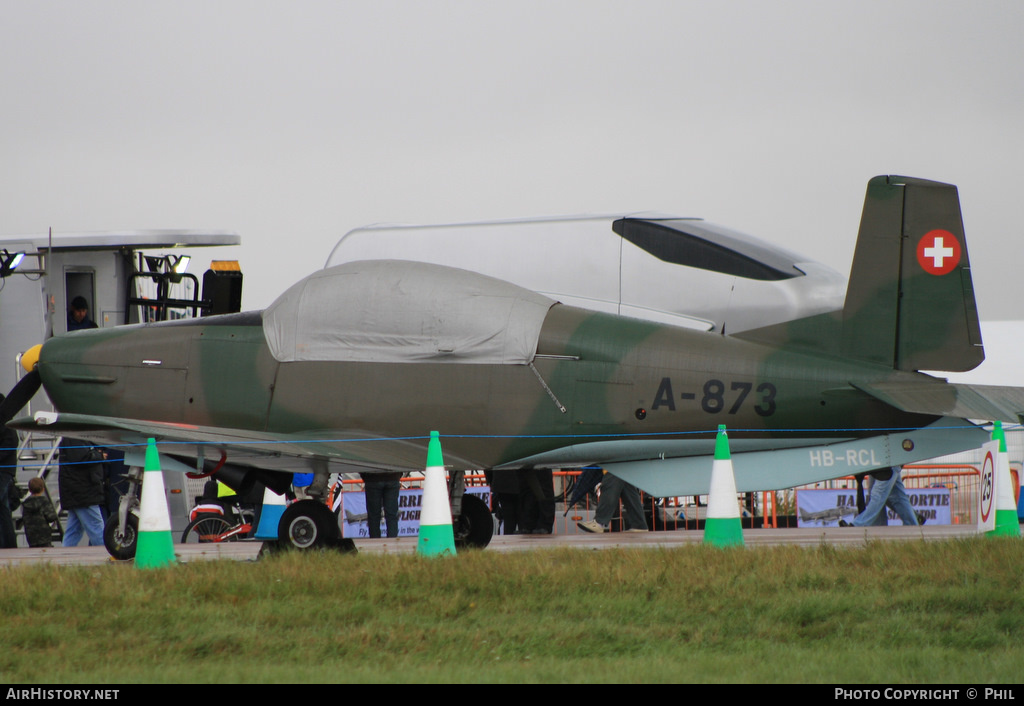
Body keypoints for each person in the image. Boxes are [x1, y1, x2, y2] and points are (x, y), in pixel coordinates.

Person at [58, 438, 106, 546]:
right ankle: (105, 554)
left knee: (73, 531)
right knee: (96, 527)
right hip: (83, 491)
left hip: (78, 490)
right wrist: (99, 456)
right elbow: (81, 458)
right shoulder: (74, 438)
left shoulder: (74, 438)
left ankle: (64, 557)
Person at [840, 466, 919, 527]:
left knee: (878, 494)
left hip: (887, 465)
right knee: (898, 497)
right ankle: (913, 521)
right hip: (881, 465)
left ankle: (858, 524)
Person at [577, 470, 648, 533]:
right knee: (627, 488)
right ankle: (639, 524)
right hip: (623, 464)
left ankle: (599, 522)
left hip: (615, 464)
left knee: (611, 482)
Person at [360, 472, 402, 538]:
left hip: (373, 478)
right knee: (392, 515)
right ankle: (392, 542)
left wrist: (366, 477)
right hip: (393, 477)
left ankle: (375, 543)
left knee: (374, 515)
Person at [21, 477, 58, 547]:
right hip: (44, 534)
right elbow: (51, 517)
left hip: (31, 534)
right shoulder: (44, 501)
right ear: (43, 489)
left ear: (29, 489)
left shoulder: (25, 503)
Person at [0, 417, 19, 549]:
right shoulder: (8, 425)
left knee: (3, 509)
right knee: (3, 510)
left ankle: (8, 544)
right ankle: (8, 544)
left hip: (3, 471)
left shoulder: (6, 425)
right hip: (6, 470)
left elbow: (9, 445)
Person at [518, 468, 555, 534]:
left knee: (544, 490)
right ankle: (528, 525)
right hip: (525, 464)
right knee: (527, 489)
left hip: (541, 463)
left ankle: (544, 524)